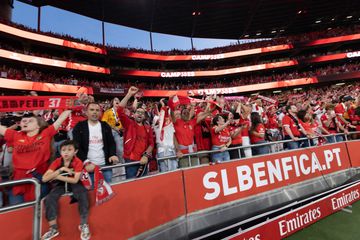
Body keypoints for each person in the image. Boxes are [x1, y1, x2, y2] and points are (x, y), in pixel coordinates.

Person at [0, 110, 72, 204]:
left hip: (38, 180)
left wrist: (69, 107)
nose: (25, 121)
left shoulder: (45, 134)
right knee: (18, 212)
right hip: (19, 182)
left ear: (38, 125)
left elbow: (61, 118)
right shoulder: (15, 135)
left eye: (30, 120)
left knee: (38, 211)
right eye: (23, 120)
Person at [41, 140, 90, 240]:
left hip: (75, 183)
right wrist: (61, 170)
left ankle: (84, 224)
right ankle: (53, 229)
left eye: (69, 150)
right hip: (61, 185)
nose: (66, 152)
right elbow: (44, 178)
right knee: (49, 198)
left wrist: (57, 176)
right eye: (63, 150)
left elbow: (75, 180)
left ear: (75, 152)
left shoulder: (78, 162)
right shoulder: (57, 161)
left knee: (83, 194)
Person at [72, 102, 119, 183]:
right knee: (90, 194)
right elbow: (76, 147)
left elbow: (111, 143)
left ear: (100, 113)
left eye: (97, 110)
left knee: (107, 192)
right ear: (86, 112)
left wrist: (112, 154)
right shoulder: (79, 126)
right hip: (87, 167)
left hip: (105, 167)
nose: (95, 112)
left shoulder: (105, 126)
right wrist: (86, 162)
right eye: (92, 110)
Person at [118, 87, 155, 179]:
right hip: (130, 159)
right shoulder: (129, 124)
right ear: (134, 115)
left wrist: (146, 155)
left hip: (143, 160)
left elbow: (151, 144)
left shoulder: (148, 128)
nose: (140, 114)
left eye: (142, 113)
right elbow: (119, 110)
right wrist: (129, 94)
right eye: (138, 112)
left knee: (143, 184)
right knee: (131, 185)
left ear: (145, 117)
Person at [101, 97, 125, 180]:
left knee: (120, 150)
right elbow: (104, 122)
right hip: (111, 132)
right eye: (115, 100)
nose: (117, 101)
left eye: (118, 100)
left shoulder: (122, 112)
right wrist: (114, 128)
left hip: (120, 132)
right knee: (112, 150)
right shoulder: (108, 112)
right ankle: (113, 168)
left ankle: (122, 167)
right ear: (112, 102)